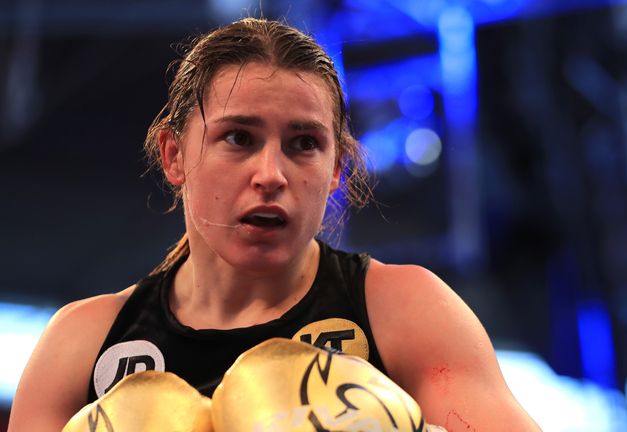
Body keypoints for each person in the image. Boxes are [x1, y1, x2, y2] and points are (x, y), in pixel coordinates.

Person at [9, 18, 541, 431]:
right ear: (174, 155)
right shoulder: (83, 344)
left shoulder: (405, 310)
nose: (271, 174)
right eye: (239, 138)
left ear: (336, 170)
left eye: (304, 144)